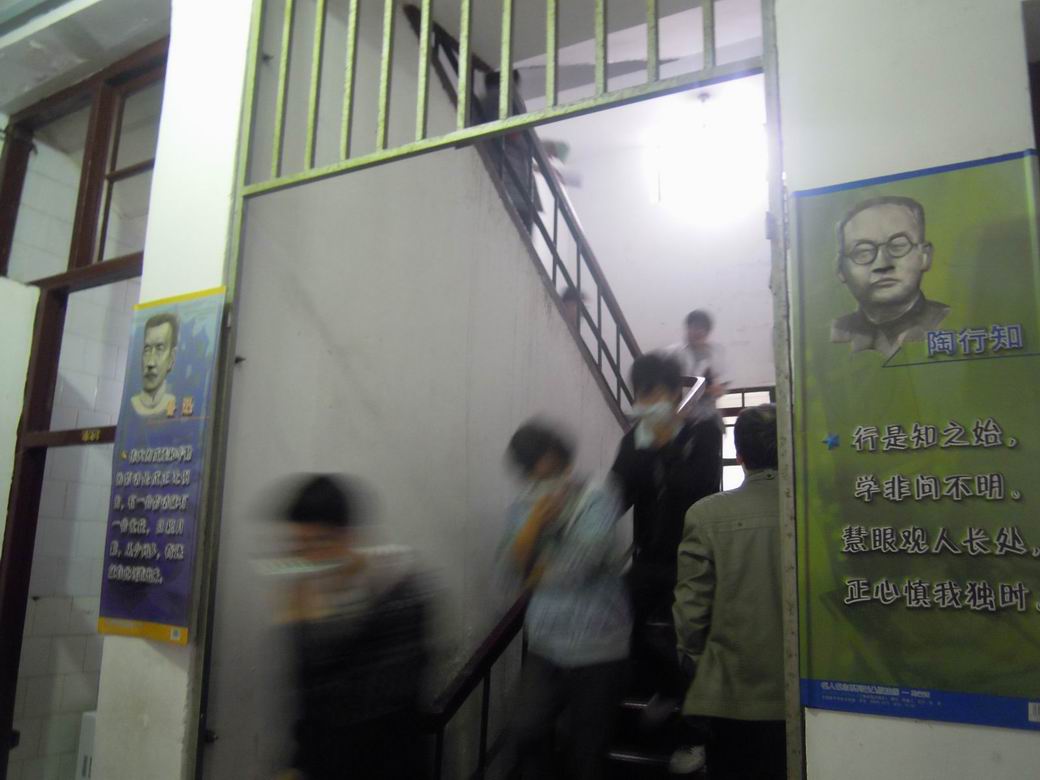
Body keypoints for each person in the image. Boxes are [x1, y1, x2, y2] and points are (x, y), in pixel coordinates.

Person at [271, 474, 432, 780]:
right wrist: (298, 764)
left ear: (345, 538)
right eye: (297, 546)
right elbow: (310, 711)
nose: (304, 559)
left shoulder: (400, 597)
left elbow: (367, 710)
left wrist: (306, 629)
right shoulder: (317, 596)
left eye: (313, 543)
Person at [610, 353, 722, 774]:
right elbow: (616, 497)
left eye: (653, 393)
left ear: (676, 394)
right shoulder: (633, 441)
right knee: (618, 621)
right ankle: (670, 688)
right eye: (640, 394)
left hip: (695, 559)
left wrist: (666, 448)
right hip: (650, 558)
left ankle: (694, 736)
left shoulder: (703, 434)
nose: (646, 402)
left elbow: (703, 488)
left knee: (691, 644)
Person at [500, 421, 631, 780]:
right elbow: (510, 571)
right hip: (545, 643)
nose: (540, 476)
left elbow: (580, 564)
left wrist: (534, 564)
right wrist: (533, 527)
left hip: (599, 643)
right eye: (531, 469)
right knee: (526, 730)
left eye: (547, 464)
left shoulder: (598, 495)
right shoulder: (523, 507)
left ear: (560, 458)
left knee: (588, 748)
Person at [673, 405, 786, 779]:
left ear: (739, 455)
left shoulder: (705, 516)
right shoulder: (820, 507)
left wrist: (693, 662)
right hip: (809, 691)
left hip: (731, 691)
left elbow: (691, 611)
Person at [831, 195, 950, 358]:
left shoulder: (951, 322)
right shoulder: (835, 333)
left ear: (925, 256)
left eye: (898, 246)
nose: (882, 265)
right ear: (840, 269)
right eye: (863, 252)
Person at [669, 310, 728, 427]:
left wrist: (718, 389)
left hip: (709, 416)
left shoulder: (716, 352)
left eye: (703, 328)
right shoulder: (674, 354)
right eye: (695, 327)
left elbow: (719, 383)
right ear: (688, 328)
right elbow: (672, 386)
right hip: (682, 419)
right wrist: (704, 390)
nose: (699, 332)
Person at [131, 312, 178, 417]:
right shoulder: (131, 405)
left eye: (159, 349)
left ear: (172, 358)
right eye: (147, 349)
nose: (150, 363)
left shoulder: (174, 403)